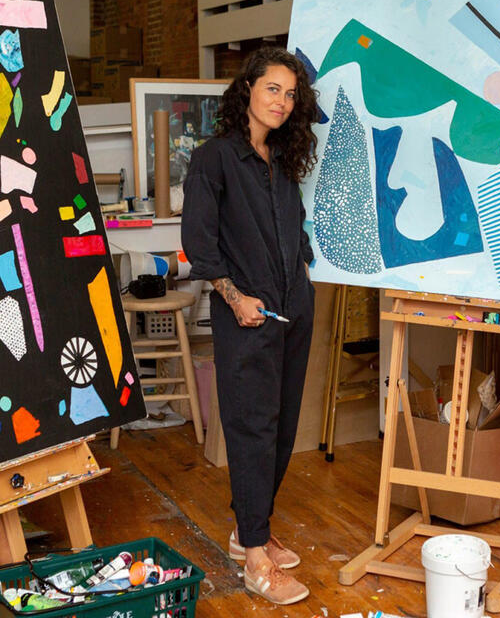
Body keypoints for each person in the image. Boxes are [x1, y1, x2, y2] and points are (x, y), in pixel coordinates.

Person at [181, 47, 319, 605]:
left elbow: (294, 225)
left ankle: (248, 532)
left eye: (291, 94)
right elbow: (199, 244)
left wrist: (303, 265)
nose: (282, 103)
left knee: (282, 426)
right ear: (248, 90)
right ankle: (257, 560)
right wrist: (236, 299)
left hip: (294, 309)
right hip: (247, 315)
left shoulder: (282, 160)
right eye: (272, 90)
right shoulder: (214, 159)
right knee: (252, 428)